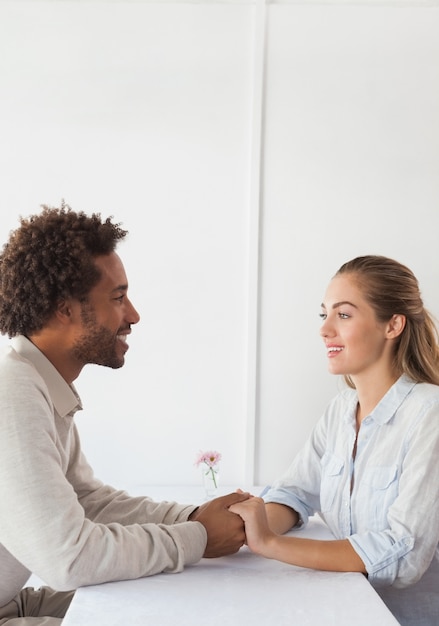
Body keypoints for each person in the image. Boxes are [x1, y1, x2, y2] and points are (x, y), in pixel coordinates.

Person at [0, 203, 249, 625]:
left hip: (12, 603)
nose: (133, 315)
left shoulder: (38, 386)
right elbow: (70, 558)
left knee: (178, 604)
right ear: (65, 309)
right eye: (118, 298)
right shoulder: (13, 395)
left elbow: (88, 501)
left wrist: (192, 518)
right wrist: (200, 537)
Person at [230, 255, 439, 626]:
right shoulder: (341, 410)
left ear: (393, 325)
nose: (325, 329)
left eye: (343, 315)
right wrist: (247, 524)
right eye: (323, 314)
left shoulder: (430, 413)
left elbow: (402, 555)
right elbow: (295, 493)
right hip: (343, 610)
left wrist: (272, 544)